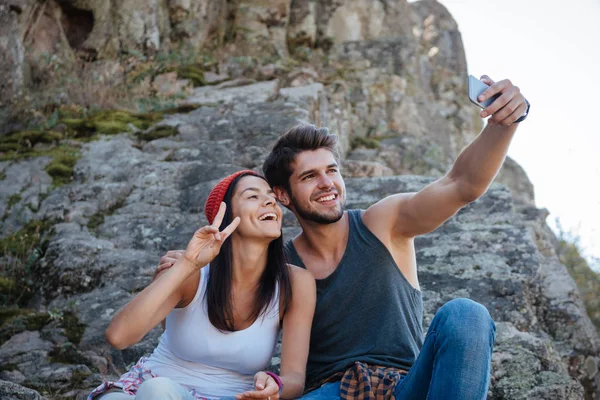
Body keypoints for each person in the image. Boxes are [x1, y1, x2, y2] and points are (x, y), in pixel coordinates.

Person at [158, 75, 529, 399]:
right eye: (309, 177)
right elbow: (224, 291)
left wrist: (503, 124)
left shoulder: (384, 223)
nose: (327, 184)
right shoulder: (279, 266)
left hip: (405, 387)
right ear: (282, 196)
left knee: (466, 315)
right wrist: (186, 268)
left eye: (332, 170)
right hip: (327, 392)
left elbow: (461, 184)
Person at [89, 170, 316, 400]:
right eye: (252, 196)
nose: (269, 201)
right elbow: (118, 337)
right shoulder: (192, 273)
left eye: (271, 197)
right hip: (149, 388)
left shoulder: (295, 283)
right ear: (224, 215)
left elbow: (295, 378)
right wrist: (185, 265)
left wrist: (276, 386)